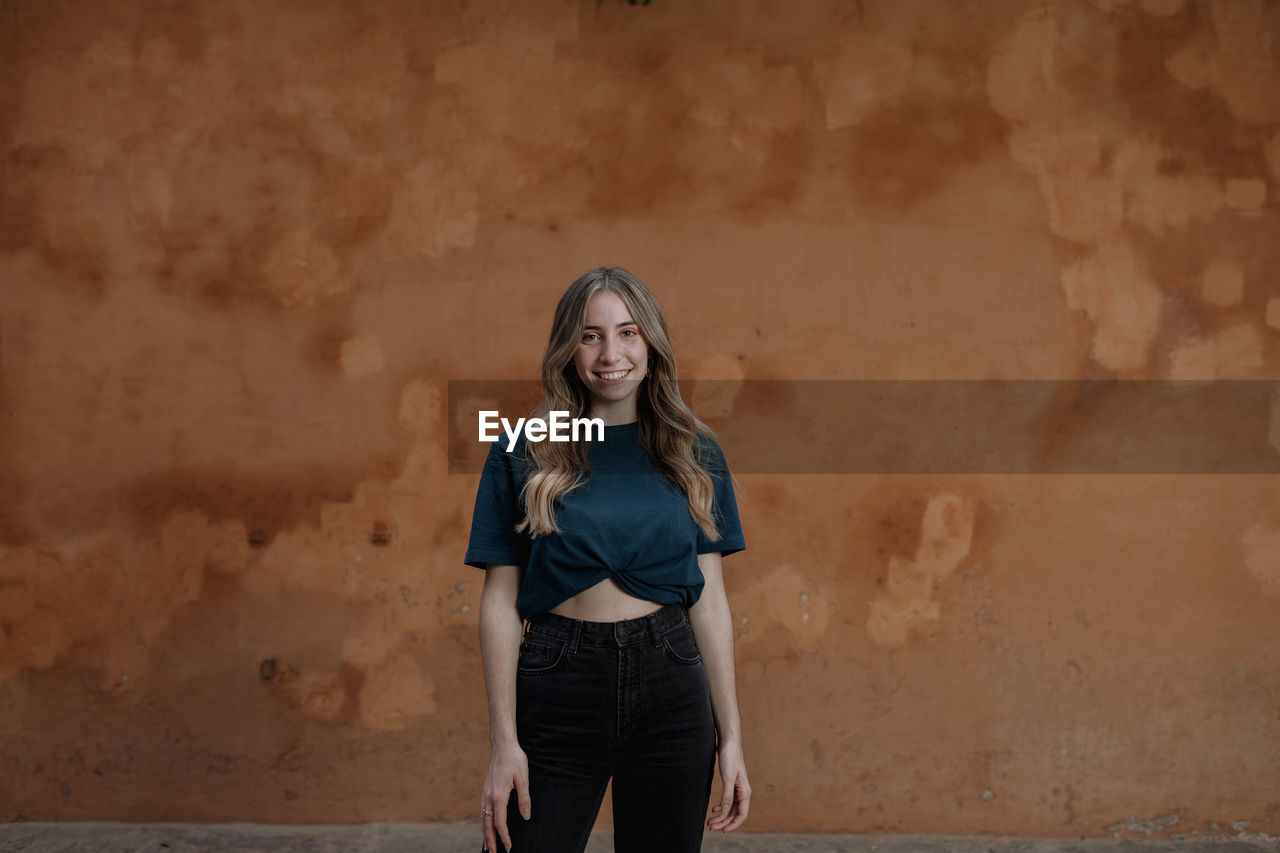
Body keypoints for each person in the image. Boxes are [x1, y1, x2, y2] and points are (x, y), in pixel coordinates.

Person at [464, 267, 751, 853]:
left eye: (627, 332)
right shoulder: (522, 447)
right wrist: (503, 743)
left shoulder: (694, 450)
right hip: (558, 677)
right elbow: (498, 601)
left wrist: (732, 737)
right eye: (590, 335)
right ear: (568, 349)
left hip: (672, 680)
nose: (610, 354)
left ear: (652, 344)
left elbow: (711, 599)